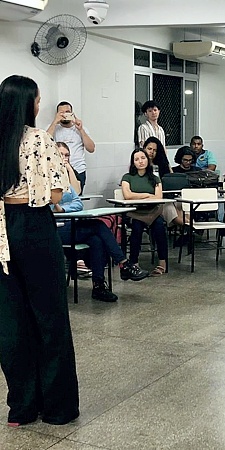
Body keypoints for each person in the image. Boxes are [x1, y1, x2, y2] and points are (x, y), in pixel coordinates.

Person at [0, 74, 79, 426]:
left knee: (11, 322)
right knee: (49, 318)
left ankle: (22, 407)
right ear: (28, 104)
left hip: (2, 233)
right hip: (33, 227)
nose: (39, 104)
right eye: (37, 100)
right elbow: (56, 193)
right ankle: (57, 407)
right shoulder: (38, 138)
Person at [54, 182, 150, 302]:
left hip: (74, 224)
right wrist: (60, 209)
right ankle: (124, 264)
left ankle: (98, 285)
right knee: (98, 225)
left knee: (97, 240)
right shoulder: (45, 185)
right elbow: (50, 208)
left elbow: (78, 204)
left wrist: (63, 209)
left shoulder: (66, 185)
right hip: (57, 228)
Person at [121, 148, 169, 276]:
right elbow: (127, 195)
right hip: (135, 212)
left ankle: (163, 263)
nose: (140, 161)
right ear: (133, 162)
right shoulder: (127, 177)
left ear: (148, 160)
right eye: (136, 159)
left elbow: (158, 197)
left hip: (153, 211)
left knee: (160, 227)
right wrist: (147, 195)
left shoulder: (155, 178)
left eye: (143, 158)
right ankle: (134, 263)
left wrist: (138, 196)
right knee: (136, 228)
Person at [47, 100, 95, 192]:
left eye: (67, 112)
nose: (65, 115)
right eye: (61, 112)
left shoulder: (81, 129)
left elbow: (91, 149)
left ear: (72, 113)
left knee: (77, 195)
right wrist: (55, 122)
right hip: (59, 170)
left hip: (78, 170)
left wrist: (80, 129)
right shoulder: (53, 127)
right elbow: (45, 144)